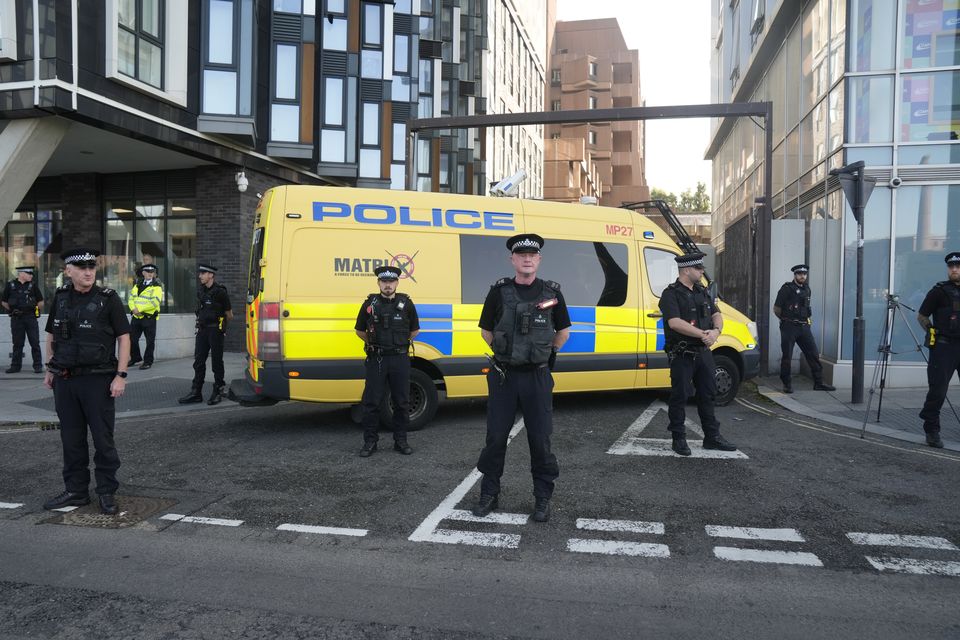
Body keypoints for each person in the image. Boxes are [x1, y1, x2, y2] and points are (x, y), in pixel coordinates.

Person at [471, 234, 570, 523]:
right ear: (512, 259)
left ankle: (542, 499)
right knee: (495, 438)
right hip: (505, 377)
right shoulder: (499, 292)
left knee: (540, 440)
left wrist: (543, 353)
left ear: (539, 260)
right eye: (521, 254)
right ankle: (489, 493)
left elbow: (563, 331)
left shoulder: (552, 294)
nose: (527, 258)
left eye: (532, 254)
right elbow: (486, 330)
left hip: (537, 377)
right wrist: (507, 353)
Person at [42, 248, 130, 516]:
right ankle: (76, 491)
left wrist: (121, 375)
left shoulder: (108, 299)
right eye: (82, 268)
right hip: (66, 381)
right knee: (71, 439)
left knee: (103, 440)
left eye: (92, 267)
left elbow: (124, 338)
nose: (88, 272)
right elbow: (50, 336)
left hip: (98, 382)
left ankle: (106, 492)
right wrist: (49, 368)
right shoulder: (60, 298)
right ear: (68, 272)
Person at [658, 251, 737, 457]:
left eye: (701, 268)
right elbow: (674, 323)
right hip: (683, 354)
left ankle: (712, 437)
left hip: (703, 353)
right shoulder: (671, 294)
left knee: (708, 395)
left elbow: (716, 314)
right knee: (680, 396)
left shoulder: (702, 291)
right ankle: (679, 438)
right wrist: (703, 334)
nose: (702, 271)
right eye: (698, 268)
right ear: (686, 270)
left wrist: (716, 332)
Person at [354, 265, 421, 457]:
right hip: (377, 359)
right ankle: (370, 442)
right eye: (384, 282)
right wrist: (375, 345)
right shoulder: (370, 303)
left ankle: (401, 440)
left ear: (397, 283)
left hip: (399, 358)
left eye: (391, 282)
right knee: (372, 402)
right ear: (379, 283)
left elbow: (415, 330)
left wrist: (399, 344)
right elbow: (359, 330)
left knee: (401, 402)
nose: (388, 285)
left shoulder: (406, 303)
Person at [916, 251, 960, 449]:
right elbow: (922, 316)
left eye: (958, 267)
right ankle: (932, 430)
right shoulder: (939, 291)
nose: (954, 269)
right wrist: (932, 331)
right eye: (951, 266)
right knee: (938, 391)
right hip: (943, 347)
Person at [773, 264, 836, 394]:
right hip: (789, 327)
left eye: (804, 274)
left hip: (803, 326)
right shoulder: (786, 289)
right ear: (795, 275)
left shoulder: (807, 289)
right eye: (800, 274)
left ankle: (818, 383)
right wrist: (786, 320)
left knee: (813, 354)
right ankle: (787, 384)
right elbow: (777, 309)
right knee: (787, 357)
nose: (803, 276)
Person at [178, 263, 232, 406]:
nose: (200, 276)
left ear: (211, 275)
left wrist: (222, 329)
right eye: (200, 273)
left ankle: (219, 389)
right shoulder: (201, 291)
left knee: (217, 362)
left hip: (215, 331)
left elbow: (229, 314)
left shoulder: (221, 292)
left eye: (203, 273)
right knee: (198, 362)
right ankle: (196, 392)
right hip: (202, 330)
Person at [2, 266, 44, 373]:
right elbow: (4, 301)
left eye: (31, 274)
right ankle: (15, 366)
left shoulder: (33, 285)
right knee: (17, 343)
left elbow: (40, 301)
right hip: (17, 318)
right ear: (21, 274)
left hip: (30, 318)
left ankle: (38, 366)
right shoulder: (10, 285)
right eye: (29, 273)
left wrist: (34, 310)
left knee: (34, 342)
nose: (31, 275)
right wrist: (13, 310)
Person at [128, 264, 163, 370]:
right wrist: (133, 309)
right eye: (148, 272)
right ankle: (135, 358)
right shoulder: (137, 285)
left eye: (152, 272)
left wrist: (139, 310)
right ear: (143, 273)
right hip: (136, 317)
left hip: (149, 318)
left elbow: (155, 302)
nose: (150, 274)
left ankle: (148, 361)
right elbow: (131, 298)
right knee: (132, 339)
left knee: (150, 341)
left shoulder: (156, 286)